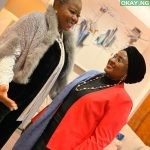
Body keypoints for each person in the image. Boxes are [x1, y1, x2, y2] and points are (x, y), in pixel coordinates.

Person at [13, 46, 146, 150]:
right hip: (43, 130)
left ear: (127, 73)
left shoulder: (122, 101)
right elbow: (61, 100)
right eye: (115, 55)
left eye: (119, 60)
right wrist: (37, 121)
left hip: (64, 146)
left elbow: (99, 140)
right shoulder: (92, 74)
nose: (112, 59)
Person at [0, 0, 82, 147]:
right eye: (72, 11)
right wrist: (3, 82)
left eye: (78, 15)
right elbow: (8, 52)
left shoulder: (62, 40)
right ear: (57, 5)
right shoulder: (36, 20)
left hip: (19, 108)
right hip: (6, 96)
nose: (75, 18)